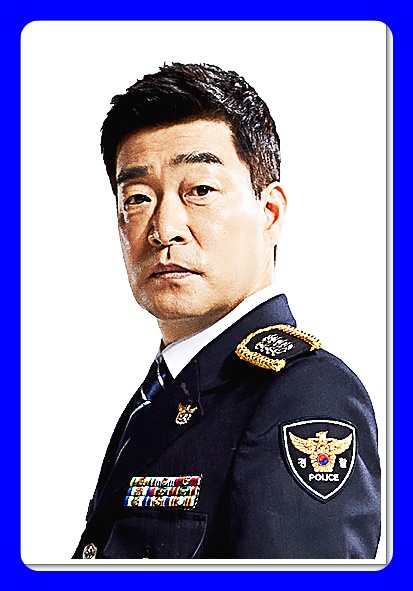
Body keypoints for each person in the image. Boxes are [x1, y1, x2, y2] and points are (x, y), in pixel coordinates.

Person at [73, 63, 380, 560]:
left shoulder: (303, 396)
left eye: (200, 191)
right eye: (138, 198)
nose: (165, 229)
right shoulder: (166, 393)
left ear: (269, 213)